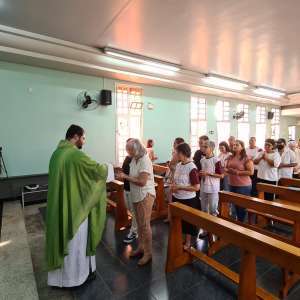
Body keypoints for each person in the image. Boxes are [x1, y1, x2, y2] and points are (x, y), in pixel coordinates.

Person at [46, 125, 108, 287]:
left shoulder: (56, 154)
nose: (84, 141)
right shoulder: (75, 155)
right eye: (84, 138)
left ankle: (58, 279)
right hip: (75, 209)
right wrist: (107, 166)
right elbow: (98, 171)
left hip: (59, 206)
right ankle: (75, 278)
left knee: (63, 239)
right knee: (76, 243)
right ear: (76, 136)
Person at [117, 139, 155, 266]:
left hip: (145, 195)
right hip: (136, 194)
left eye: (130, 150)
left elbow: (142, 181)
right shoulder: (134, 159)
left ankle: (148, 253)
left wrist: (125, 177)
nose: (128, 152)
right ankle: (141, 247)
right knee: (139, 224)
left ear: (136, 149)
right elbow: (132, 175)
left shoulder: (145, 160)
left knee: (144, 224)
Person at [171, 143, 200, 249]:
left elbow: (196, 187)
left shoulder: (192, 167)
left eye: (176, 152)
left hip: (188, 199)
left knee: (187, 223)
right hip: (177, 197)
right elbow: (176, 180)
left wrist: (179, 187)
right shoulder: (179, 165)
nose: (175, 154)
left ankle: (188, 242)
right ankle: (180, 239)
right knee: (178, 221)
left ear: (183, 153)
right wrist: (174, 185)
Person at [225, 139, 254, 222]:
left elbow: (251, 172)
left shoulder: (246, 158)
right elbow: (226, 168)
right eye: (234, 145)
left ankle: (242, 225)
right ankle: (236, 224)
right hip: (232, 184)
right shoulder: (230, 157)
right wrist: (227, 170)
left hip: (243, 186)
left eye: (237, 145)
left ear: (242, 147)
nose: (234, 146)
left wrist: (237, 172)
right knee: (234, 206)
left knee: (242, 207)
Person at [199, 141, 223, 237]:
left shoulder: (216, 160)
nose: (203, 148)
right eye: (203, 146)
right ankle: (205, 230)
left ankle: (214, 229)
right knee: (204, 209)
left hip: (213, 188)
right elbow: (203, 173)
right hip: (204, 186)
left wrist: (208, 174)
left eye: (206, 147)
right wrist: (202, 175)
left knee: (213, 209)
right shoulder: (202, 160)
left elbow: (221, 175)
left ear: (211, 148)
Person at [164, 137, 185, 222]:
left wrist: (170, 164)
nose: (173, 144)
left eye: (175, 143)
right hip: (172, 174)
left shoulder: (178, 153)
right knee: (171, 199)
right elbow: (172, 164)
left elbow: (173, 164)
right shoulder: (175, 152)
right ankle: (170, 217)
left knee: (173, 199)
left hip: (175, 175)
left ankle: (173, 218)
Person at [122, 139, 138, 244]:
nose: (128, 149)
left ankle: (134, 232)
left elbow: (136, 176)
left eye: (129, 147)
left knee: (134, 211)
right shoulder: (127, 158)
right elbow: (124, 170)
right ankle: (135, 227)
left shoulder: (136, 159)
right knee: (130, 209)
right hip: (126, 187)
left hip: (133, 189)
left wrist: (126, 176)